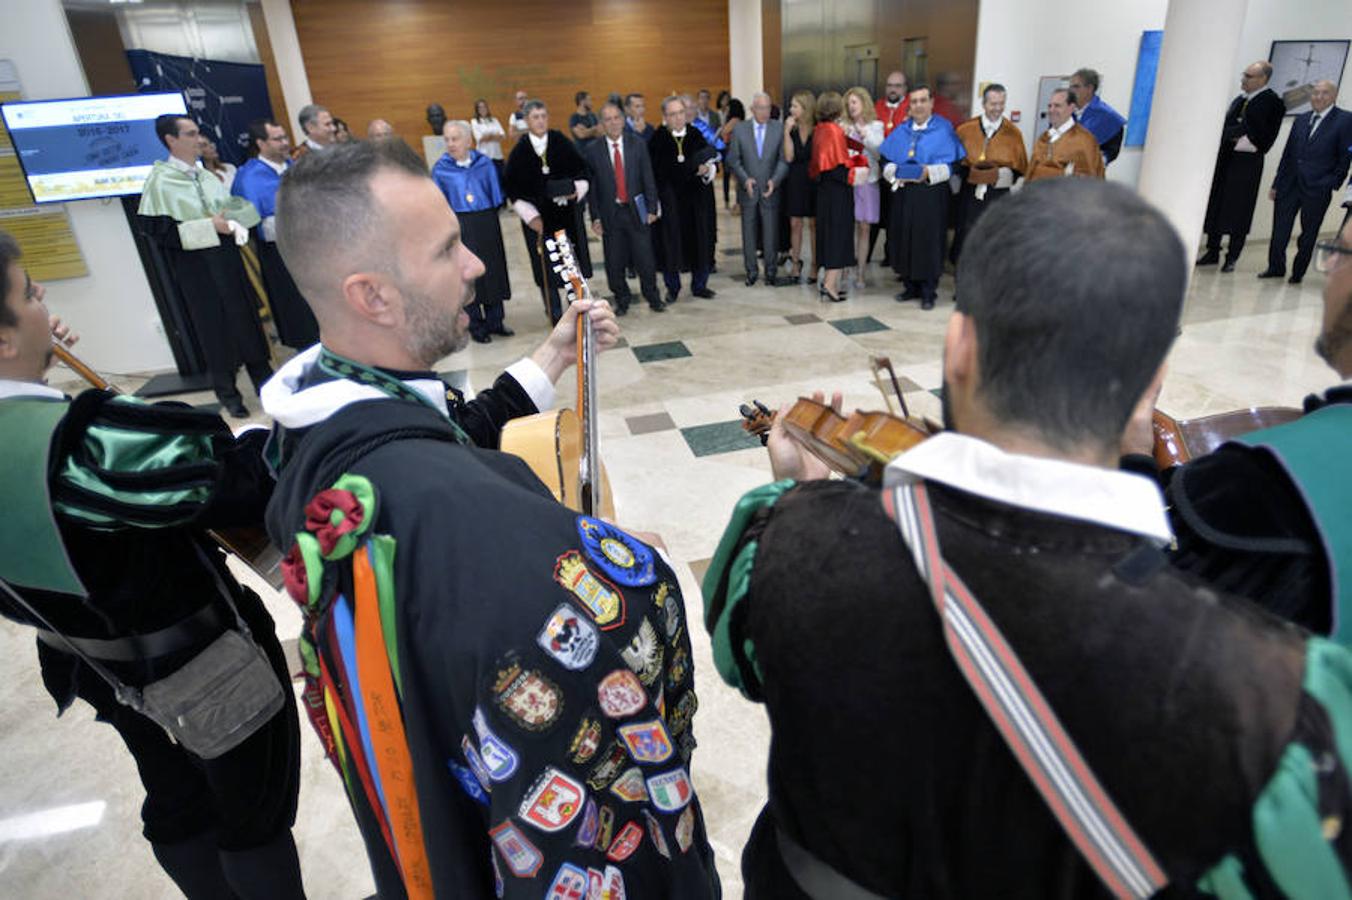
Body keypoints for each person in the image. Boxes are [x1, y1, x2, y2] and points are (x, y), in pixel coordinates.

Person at [702, 178, 1352, 899]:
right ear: (1153, 383)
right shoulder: (1277, 700)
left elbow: (747, 665)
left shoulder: (781, 537)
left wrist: (805, 496)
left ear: (958, 346)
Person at [265, 138, 721, 899]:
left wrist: (549, 359)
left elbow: (435, 437)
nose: (477, 264)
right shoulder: (455, 515)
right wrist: (609, 559)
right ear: (372, 295)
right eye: (448, 250)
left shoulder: (313, 430)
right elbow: (609, 626)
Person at [0, 230, 305, 900]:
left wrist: (32, 371)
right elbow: (236, 477)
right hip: (201, 662)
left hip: (93, 658)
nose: (43, 295)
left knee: (172, 793)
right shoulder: (80, 445)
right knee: (251, 814)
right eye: (27, 292)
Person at [1121, 216, 1352, 642]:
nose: (1331, 268)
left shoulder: (1275, 483)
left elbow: (1149, 617)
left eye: (1339, 252)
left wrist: (1136, 457)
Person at [137, 115, 272, 417]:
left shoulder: (207, 177)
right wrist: (209, 227)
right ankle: (228, 393)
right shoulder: (160, 182)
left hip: (227, 260)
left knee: (246, 320)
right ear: (171, 140)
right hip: (195, 267)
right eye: (191, 133)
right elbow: (160, 233)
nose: (199, 139)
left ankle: (265, 382)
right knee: (212, 328)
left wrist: (235, 218)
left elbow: (231, 208)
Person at [232, 118, 321, 350]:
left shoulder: (294, 167)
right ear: (261, 143)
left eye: (285, 137)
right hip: (280, 257)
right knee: (301, 321)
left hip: (314, 253)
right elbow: (252, 224)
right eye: (278, 139)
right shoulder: (250, 176)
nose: (285, 143)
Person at [502, 99, 592, 323]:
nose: (540, 121)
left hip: (566, 215)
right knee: (546, 269)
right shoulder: (520, 151)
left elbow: (583, 171)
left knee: (571, 265)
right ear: (527, 121)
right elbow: (512, 189)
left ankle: (577, 308)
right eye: (535, 117)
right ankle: (555, 314)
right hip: (539, 221)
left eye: (543, 116)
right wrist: (532, 218)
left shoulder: (561, 141)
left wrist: (576, 191)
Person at [880, 85, 966, 310]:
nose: (918, 105)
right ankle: (910, 286)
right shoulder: (901, 130)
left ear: (931, 103)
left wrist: (930, 172)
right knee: (905, 237)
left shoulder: (944, 130)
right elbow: (884, 159)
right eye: (914, 102)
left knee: (928, 241)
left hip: (931, 195)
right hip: (905, 195)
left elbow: (956, 164)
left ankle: (928, 291)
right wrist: (894, 171)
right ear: (910, 106)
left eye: (922, 101)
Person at [1260, 81, 1352, 285]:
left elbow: (1345, 157)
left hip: (1318, 188)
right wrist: (1276, 183)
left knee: (1308, 234)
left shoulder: (1345, 120)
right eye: (1315, 93)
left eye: (1324, 93)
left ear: (1334, 96)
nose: (1318, 97)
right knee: (1280, 230)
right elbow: (1287, 154)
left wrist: (1331, 182)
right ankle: (1275, 267)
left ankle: (1298, 272)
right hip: (1289, 184)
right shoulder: (1301, 119)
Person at [1198, 61, 1286, 272]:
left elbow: (1261, 134)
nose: (1243, 80)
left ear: (1263, 79)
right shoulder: (1240, 100)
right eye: (1244, 75)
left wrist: (1237, 135)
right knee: (1217, 205)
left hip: (1246, 164)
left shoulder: (1272, 102)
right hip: (1225, 160)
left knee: (1239, 209)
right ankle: (1212, 250)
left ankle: (1232, 256)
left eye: (1249, 76)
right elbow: (1227, 125)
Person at [433, 120, 514, 343]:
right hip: (460, 225)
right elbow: (439, 206)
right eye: (447, 139)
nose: (450, 144)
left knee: (492, 268)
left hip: (486, 222)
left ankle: (496, 320)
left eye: (455, 138)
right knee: (468, 273)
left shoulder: (485, 164)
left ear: (468, 141)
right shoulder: (441, 170)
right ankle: (476, 324)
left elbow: (496, 196)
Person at [584, 102, 663, 314]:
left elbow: (648, 178)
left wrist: (653, 207)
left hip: (636, 211)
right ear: (602, 124)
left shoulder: (637, 144)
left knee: (645, 259)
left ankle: (653, 297)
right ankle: (622, 298)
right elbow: (593, 189)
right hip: (611, 214)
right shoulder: (593, 151)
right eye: (608, 119)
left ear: (622, 119)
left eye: (616, 117)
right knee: (614, 262)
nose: (613, 123)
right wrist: (595, 218)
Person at [650, 95, 718, 304]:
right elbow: (655, 172)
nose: (679, 118)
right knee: (671, 244)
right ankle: (673, 287)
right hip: (671, 202)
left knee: (700, 242)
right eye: (673, 114)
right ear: (665, 117)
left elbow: (711, 159)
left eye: (681, 112)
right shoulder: (657, 139)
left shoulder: (696, 133)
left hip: (696, 202)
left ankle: (700, 285)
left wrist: (708, 169)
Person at [952, 83, 1027, 264]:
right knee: (966, 237)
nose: (997, 108)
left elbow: (1020, 167)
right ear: (984, 104)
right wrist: (971, 174)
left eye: (1001, 104)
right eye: (993, 104)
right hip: (969, 195)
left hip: (998, 195)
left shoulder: (1013, 133)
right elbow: (955, 163)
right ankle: (963, 286)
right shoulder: (966, 130)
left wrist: (1002, 175)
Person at [728, 92, 789, 287]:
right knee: (748, 231)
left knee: (771, 232)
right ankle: (751, 271)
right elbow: (733, 160)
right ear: (752, 109)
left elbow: (784, 159)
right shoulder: (740, 130)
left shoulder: (778, 129)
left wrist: (775, 180)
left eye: (768, 108)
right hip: (748, 190)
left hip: (771, 188)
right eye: (761, 108)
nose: (765, 112)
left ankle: (771, 271)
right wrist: (745, 179)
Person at [809, 91, 857, 303]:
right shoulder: (834, 131)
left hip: (824, 193)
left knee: (830, 236)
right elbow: (837, 168)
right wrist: (856, 172)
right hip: (837, 194)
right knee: (839, 236)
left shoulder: (819, 129)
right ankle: (830, 285)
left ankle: (831, 283)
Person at [843, 87, 884, 290]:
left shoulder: (876, 126)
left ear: (864, 104)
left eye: (855, 102)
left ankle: (861, 272)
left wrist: (864, 135)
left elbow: (878, 153)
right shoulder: (844, 126)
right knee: (846, 226)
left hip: (868, 181)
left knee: (864, 227)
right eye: (849, 103)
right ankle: (843, 267)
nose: (851, 107)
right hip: (848, 182)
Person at [869, 72, 910, 269]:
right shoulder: (876, 107)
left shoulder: (911, 107)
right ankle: (865, 255)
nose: (893, 89)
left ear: (905, 88)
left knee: (895, 218)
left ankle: (891, 257)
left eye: (898, 85)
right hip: (877, 167)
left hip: (900, 170)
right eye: (890, 85)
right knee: (874, 214)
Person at [1025, 88, 1104, 182]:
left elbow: (1088, 180)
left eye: (1057, 106)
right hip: (1035, 194)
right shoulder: (1044, 137)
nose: (1051, 110)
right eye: (1050, 106)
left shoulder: (1084, 140)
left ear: (1071, 108)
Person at [781, 91, 817, 284]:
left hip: (813, 178)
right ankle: (795, 262)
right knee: (795, 223)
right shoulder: (791, 130)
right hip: (795, 179)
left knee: (813, 224)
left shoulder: (817, 128)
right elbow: (788, 157)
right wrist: (786, 132)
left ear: (805, 108)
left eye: (795, 106)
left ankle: (814, 264)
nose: (791, 109)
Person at [1069, 67, 1125, 166]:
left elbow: (1111, 150)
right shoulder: (1065, 112)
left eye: (1076, 87)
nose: (1071, 91)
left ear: (1089, 89)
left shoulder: (1108, 116)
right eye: (1071, 87)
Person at [716, 93, 745, 209]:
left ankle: (739, 203)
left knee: (737, 180)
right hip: (734, 150)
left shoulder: (734, 120)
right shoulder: (740, 120)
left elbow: (723, 132)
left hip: (732, 150)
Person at [470, 99, 507, 184]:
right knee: (488, 181)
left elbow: (502, 135)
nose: (483, 109)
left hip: (497, 155)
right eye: (480, 107)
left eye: (484, 107)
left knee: (501, 179)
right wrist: (494, 136)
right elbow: (479, 138)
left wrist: (489, 136)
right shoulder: (474, 122)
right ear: (477, 110)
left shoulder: (494, 120)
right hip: (485, 155)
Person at [569, 91, 601, 155]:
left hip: (595, 152)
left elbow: (600, 133)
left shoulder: (593, 116)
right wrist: (594, 129)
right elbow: (581, 135)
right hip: (582, 153)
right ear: (582, 102)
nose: (591, 103)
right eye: (589, 100)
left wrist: (586, 131)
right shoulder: (574, 118)